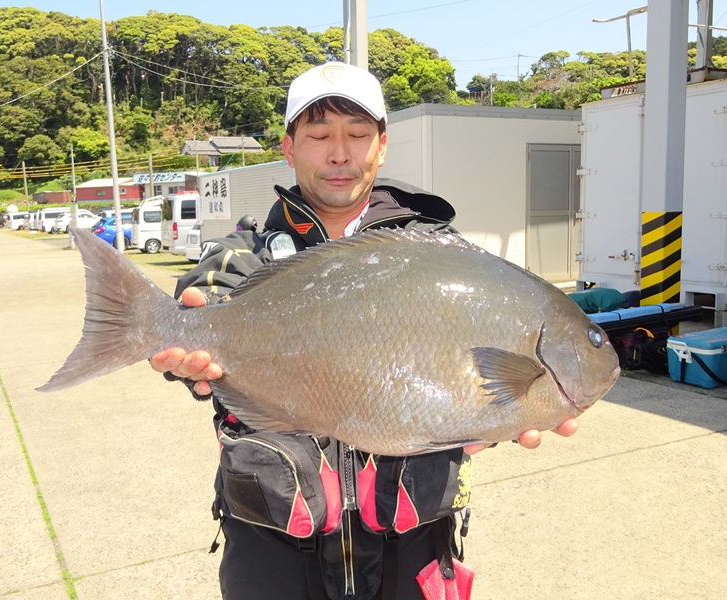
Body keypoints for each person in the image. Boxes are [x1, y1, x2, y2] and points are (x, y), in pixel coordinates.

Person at [151, 62, 578, 600]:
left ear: (382, 146)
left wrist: (493, 419)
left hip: (413, 547)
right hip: (271, 550)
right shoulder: (243, 256)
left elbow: (462, 379)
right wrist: (185, 357)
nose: (339, 153)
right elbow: (202, 314)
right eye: (319, 136)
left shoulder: (439, 253)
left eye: (357, 135)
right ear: (289, 148)